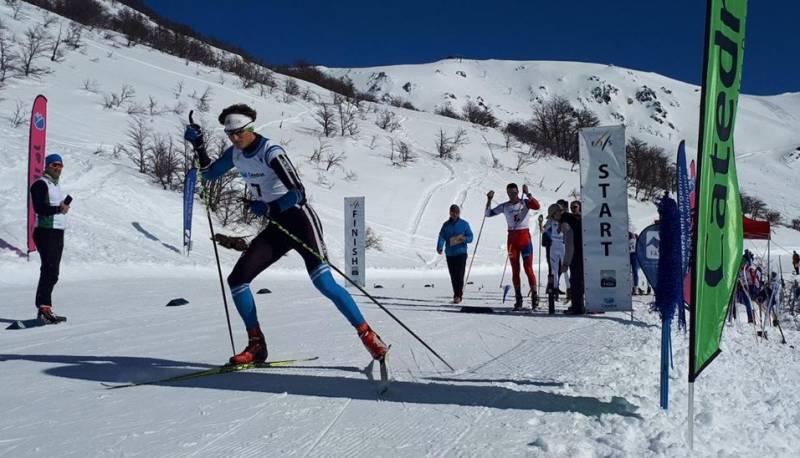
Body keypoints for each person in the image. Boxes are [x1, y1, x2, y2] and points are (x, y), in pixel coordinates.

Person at [184, 104, 388, 364]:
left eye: (238, 132)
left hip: (300, 220)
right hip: (277, 225)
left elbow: (298, 193)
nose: (234, 138)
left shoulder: (271, 152)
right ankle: (256, 345)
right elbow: (209, 174)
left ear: (250, 128)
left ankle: (368, 335)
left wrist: (270, 207)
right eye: (229, 134)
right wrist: (199, 146)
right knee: (237, 280)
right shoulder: (235, 154)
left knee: (324, 283)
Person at [485, 183, 541, 310]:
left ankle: (534, 296)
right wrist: (489, 200)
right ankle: (518, 298)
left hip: (524, 238)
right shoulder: (505, 206)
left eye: (514, 193)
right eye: (510, 193)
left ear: (518, 192)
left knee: (528, 268)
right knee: (515, 270)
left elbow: (537, 206)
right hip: (512, 240)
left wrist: (528, 194)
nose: (512, 195)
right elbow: (488, 214)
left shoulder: (525, 202)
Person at [30, 153, 70, 324]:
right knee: (49, 270)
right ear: (46, 166)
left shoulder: (56, 185)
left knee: (53, 272)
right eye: (54, 165)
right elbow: (39, 208)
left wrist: (62, 208)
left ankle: (45, 308)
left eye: (60, 166)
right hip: (46, 231)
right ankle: (43, 308)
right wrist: (59, 209)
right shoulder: (40, 184)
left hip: (57, 232)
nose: (57, 168)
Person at [436, 204, 474, 304]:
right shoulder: (446, 225)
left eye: (456, 213)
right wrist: (439, 247)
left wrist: (464, 239)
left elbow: (470, 237)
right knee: (453, 275)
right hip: (450, 254)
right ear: (450, 213)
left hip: (461, 253)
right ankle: (456, 294)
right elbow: (441, 237)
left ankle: (458, 295)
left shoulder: (464, 224)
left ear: (459, 213)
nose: (454, 214)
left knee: (460, 275)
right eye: (453, 212)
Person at [562, 200, 584, 314]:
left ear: (580, 207)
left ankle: (578, 307)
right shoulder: (570, 218)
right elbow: (563, 215)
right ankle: (576, 305)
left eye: (575, 207)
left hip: (582, 252)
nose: (573, 209)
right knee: (574, 280)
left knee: (579, 281)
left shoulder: (584, 220)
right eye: (571, 207)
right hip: (574, 253)